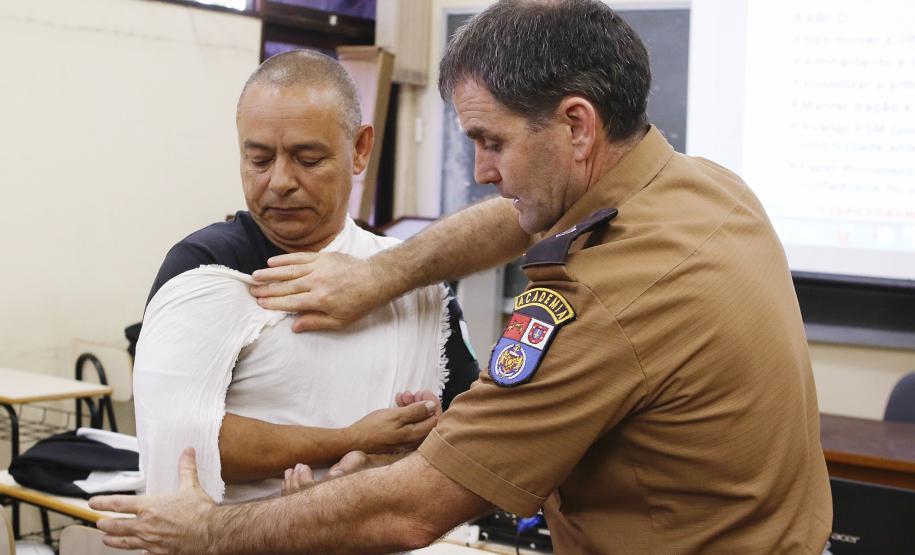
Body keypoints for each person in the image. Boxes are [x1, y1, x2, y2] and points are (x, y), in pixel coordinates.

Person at [91, 1, 832, 553]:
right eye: (259, 156)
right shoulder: (700, 185)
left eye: (490, 140)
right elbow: (521, 214)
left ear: (577, 126)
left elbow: (412, 509)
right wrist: (381, 274)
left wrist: (211, 532)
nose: (479, 171)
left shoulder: (602, 296)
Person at [132, 49, 479, 503]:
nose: (279, 181)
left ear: (359, 149)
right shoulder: (203, 268)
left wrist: (393, 458)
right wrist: (352, 438)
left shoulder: (412, 284)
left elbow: (466, 434)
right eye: (258, 160)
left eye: (308, 159)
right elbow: (177, 439)